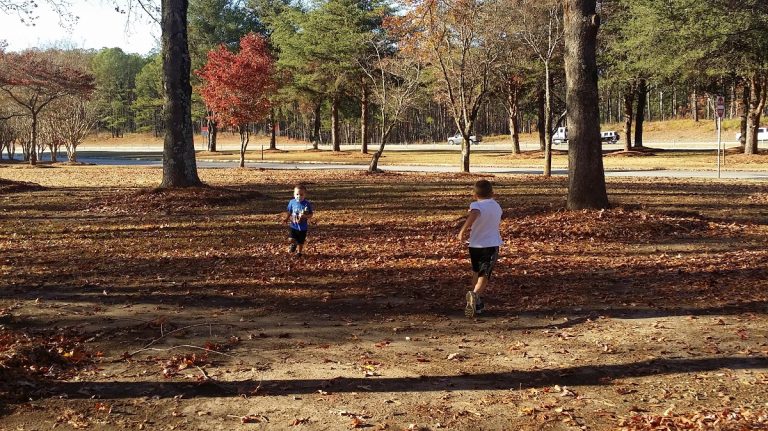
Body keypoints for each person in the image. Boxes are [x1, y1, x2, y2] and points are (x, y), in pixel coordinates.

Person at [457, 180, 502, 317]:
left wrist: (462, 231)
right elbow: (475, 213)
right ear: (492, 193)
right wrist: (463, 230)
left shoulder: (475, 205)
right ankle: (475, 294)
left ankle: (477, 303)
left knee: (476, 271)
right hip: (490, 245)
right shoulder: (496, 206)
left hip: (474, 245)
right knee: (484, 274)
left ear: (474, 195)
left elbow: (475, 213)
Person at [284, 184, 314, 256]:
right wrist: (286, 219)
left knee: (301, 241)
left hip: (303, 227)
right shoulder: (292, 202)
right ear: (294, 194)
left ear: (305, 195)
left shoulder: (307, 204)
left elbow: (311, 214)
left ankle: (299, 252)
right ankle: (293, 244)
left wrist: (305, 216)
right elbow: (289, 211)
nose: (299, 196)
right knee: (291, 239)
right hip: (293, 225)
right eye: (297, 194)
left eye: (301, 195)